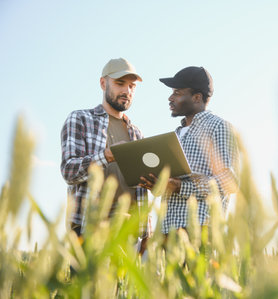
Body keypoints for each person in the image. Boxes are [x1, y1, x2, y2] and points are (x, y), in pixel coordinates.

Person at [139, 66, 239, 237]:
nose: (170, 98)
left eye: (177, 93)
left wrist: (181, 187)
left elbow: (228, 181)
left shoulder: (219, 127)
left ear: (197, 97)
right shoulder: (175, 135)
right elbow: (169, 185)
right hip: (166, 232)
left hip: (200, 231)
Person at [60, 57, 149, 239]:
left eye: (132, 86)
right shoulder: (80, 119)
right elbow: (69, 172)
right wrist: (106, 156)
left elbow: (141, 188)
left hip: (129, 232)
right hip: (89, 227)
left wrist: (147, 233)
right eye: (120, 83)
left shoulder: (136, 134)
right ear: (103, 83)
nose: (127, 91)